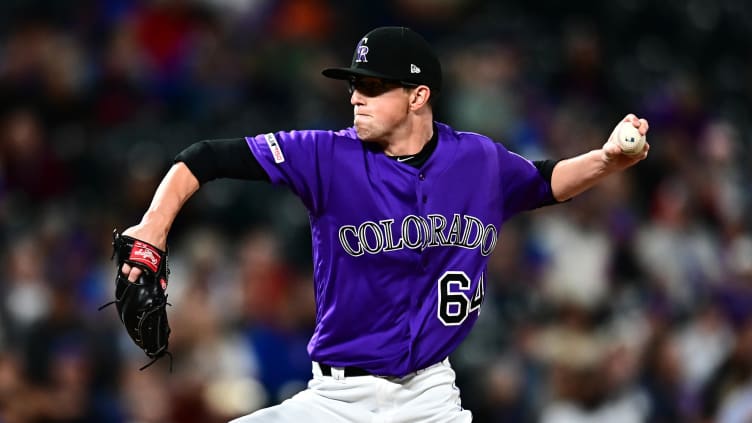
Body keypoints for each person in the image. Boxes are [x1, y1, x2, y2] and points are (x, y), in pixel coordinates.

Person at [117, 26, 649, 422]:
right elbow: (204, 157)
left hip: (430, 398)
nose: (355, 96)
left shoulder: (479, 162)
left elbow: (547, 179)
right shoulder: (326, 155)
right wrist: (154, 227)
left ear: (418, 96)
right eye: (354, 84)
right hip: (336, 400)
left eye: (372, 85)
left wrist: (607, 161)